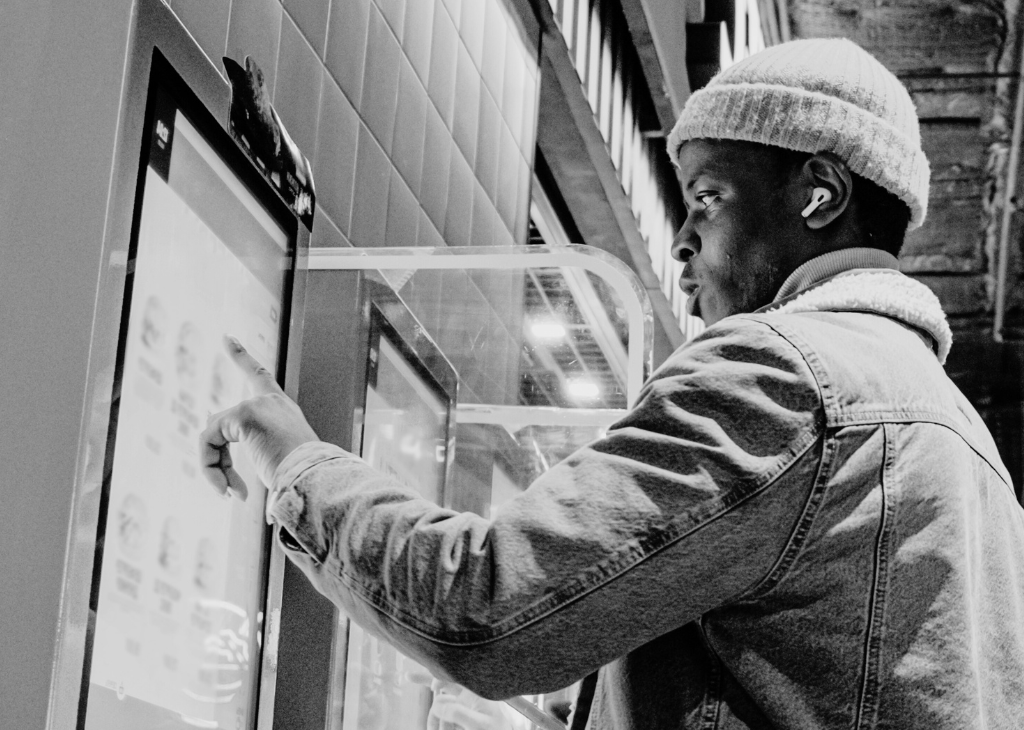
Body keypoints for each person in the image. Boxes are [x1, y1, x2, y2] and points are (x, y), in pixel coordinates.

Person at [201, 38, 1024, 729]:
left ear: (820, 195)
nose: (682, 242)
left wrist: (295, 460)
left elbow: (484, 607)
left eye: (708, 198)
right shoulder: (967, 447)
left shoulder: (783, 378)